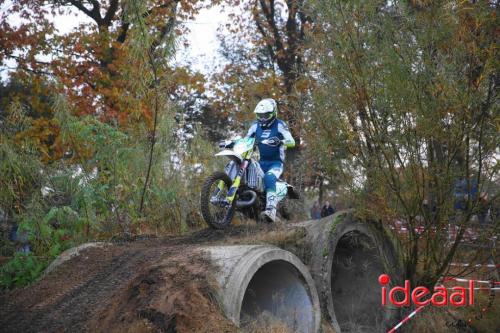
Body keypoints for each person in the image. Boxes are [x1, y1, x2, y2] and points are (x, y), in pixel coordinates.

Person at [245, 98, 295, 223]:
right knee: (247, 178)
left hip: (275, 162)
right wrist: (233, 143)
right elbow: (245, 140)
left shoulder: (280, 125)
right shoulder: (254, 126)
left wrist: (281, 141)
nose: (262, 118)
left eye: (265, 115)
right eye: (260, 115)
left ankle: (271, 210)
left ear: (273, 113)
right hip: (260, 162)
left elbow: (292, 141)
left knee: (269, 177)